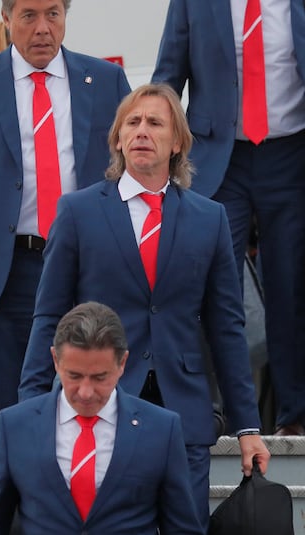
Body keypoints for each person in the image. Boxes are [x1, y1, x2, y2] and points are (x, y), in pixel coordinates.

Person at [19, 83, 270, 531]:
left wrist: (248, 427)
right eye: (132, 123)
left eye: (155, 123)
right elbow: (49, 317)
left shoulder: (209, 218)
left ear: (177, 142)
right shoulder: (77, 212)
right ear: (117, 138)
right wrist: (32, 408)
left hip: (185, 413)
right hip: (101, 405)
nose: (141, 131)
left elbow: (227, 327)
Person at [0, 0, 131, 439]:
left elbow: (128, 176)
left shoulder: (105, 81)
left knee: (91, 400)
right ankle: (19, 505)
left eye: (53, 14)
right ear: (7, 19)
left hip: (88, 264)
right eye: (29, 16)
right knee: (12, 410)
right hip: (6, 271)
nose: (43, 28)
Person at [151, 0, 305, 436]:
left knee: (290, 286)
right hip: (219, 156)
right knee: (209, 285)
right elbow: (167, 76)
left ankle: (293, 416)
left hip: (292, 153)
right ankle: (215, 412)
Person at [0, 302, 204, 535]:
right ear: (55, 360)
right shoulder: (15, 426)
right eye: (74, 376)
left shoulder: (162, 429)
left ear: (122, 364)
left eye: (99, 378)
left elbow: (182, 528)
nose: (86, 392)